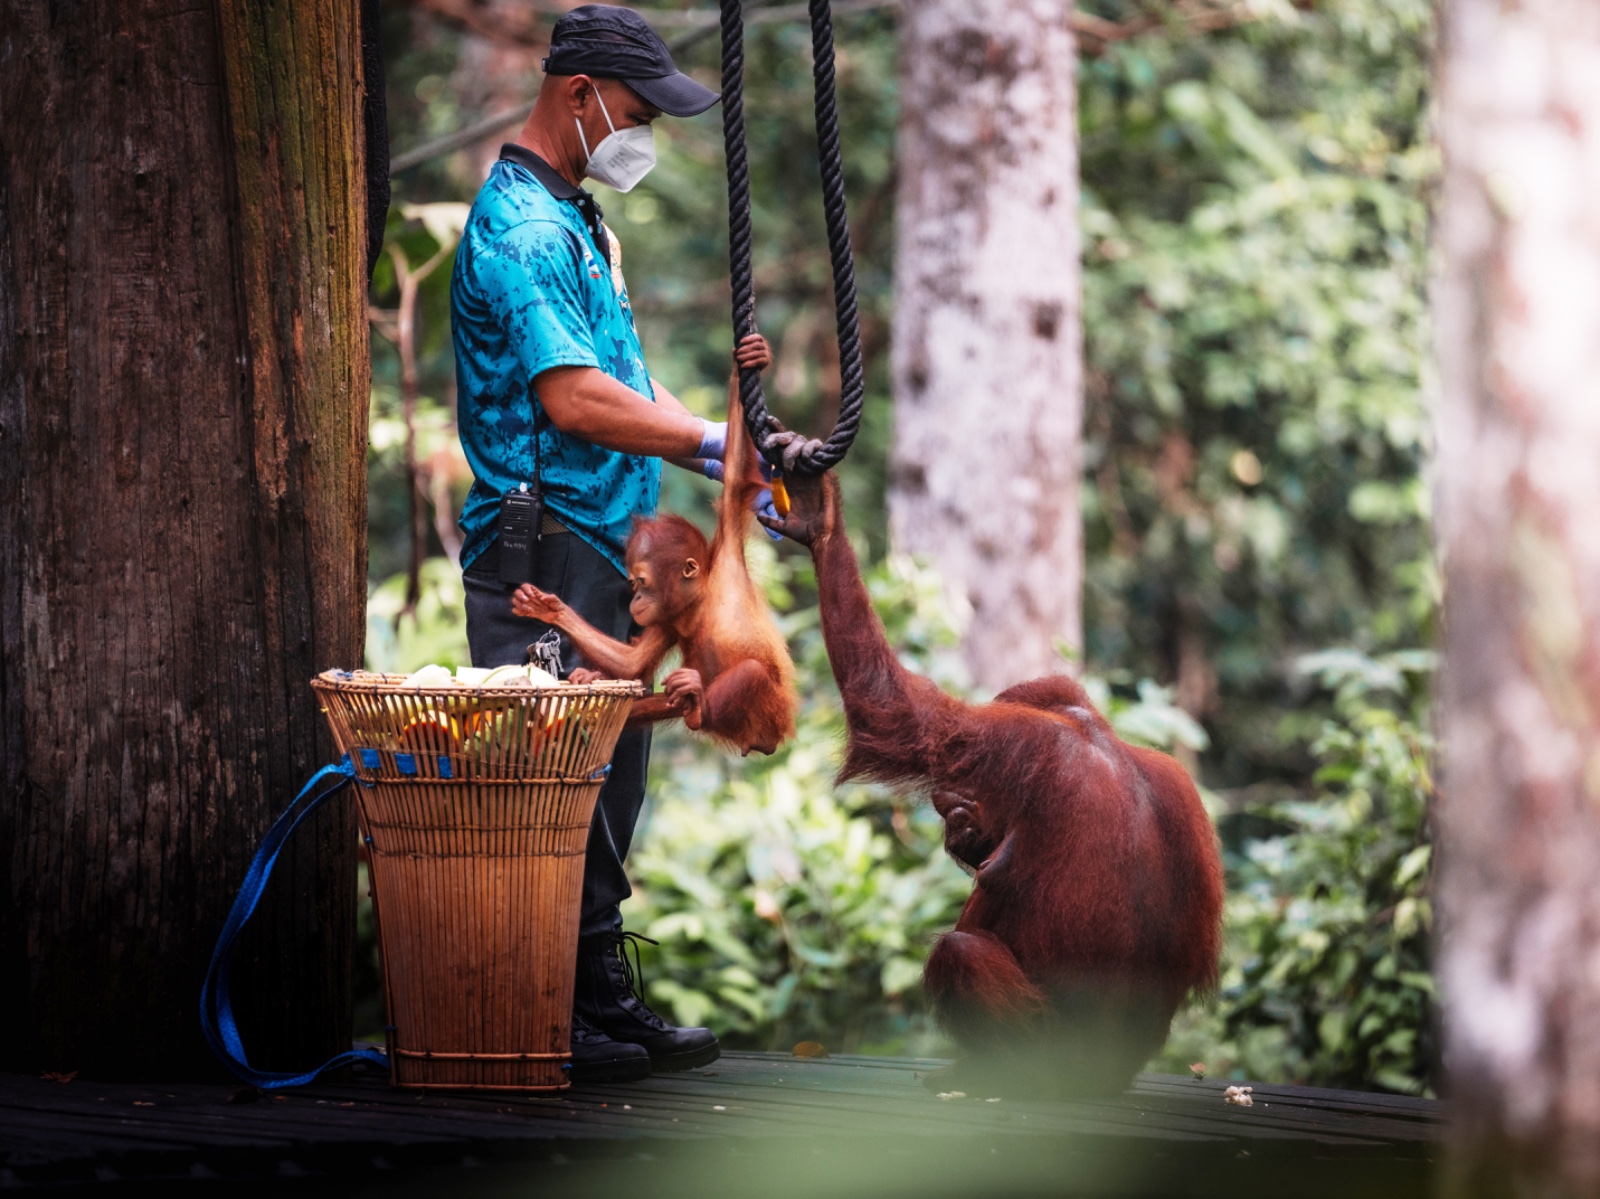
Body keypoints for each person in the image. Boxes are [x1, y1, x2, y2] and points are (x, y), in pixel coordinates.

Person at [450, 4, 735, 1085]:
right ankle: (540, 1007)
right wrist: (708, 439)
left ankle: (597, 994)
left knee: (607, 786)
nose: (644, 133)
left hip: (606, 545)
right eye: (637, 112)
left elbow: (624, 381)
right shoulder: (524, 231)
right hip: (546, 548)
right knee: (546, 784)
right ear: (578, 97)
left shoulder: (576, 221)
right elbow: (573, 398)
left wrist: (729, 464)